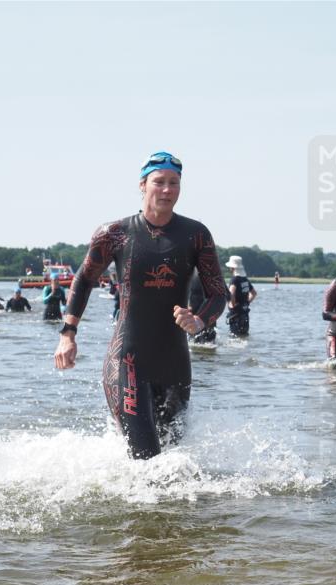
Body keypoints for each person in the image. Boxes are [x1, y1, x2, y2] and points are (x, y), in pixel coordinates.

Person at [53, 150, 226, 460]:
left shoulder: (196, 235)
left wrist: (199, 321)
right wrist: (68, 334)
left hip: (174, 364)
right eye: (159, 182)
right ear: (143, 185)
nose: (167, 190)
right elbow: (83, 280)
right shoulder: (115, 234)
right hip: (128, 361)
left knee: (174, 460)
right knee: (147, 459)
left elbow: (218, 293)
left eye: (174, 183)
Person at [224, 255, 256, 336]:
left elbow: (231, 293)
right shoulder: (245, 280)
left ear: (232, 267)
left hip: (236, 315)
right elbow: (254, 293)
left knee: (234, 338)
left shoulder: (234, 280)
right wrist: (247, 302)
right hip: (245, 314)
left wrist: (233, 305)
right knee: (244, 337)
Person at [188, 273, 217, 344]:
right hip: (207, 312)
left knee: (197, 340)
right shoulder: (212, 274)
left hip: (198, 311)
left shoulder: (192, 274)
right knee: (209, 340)